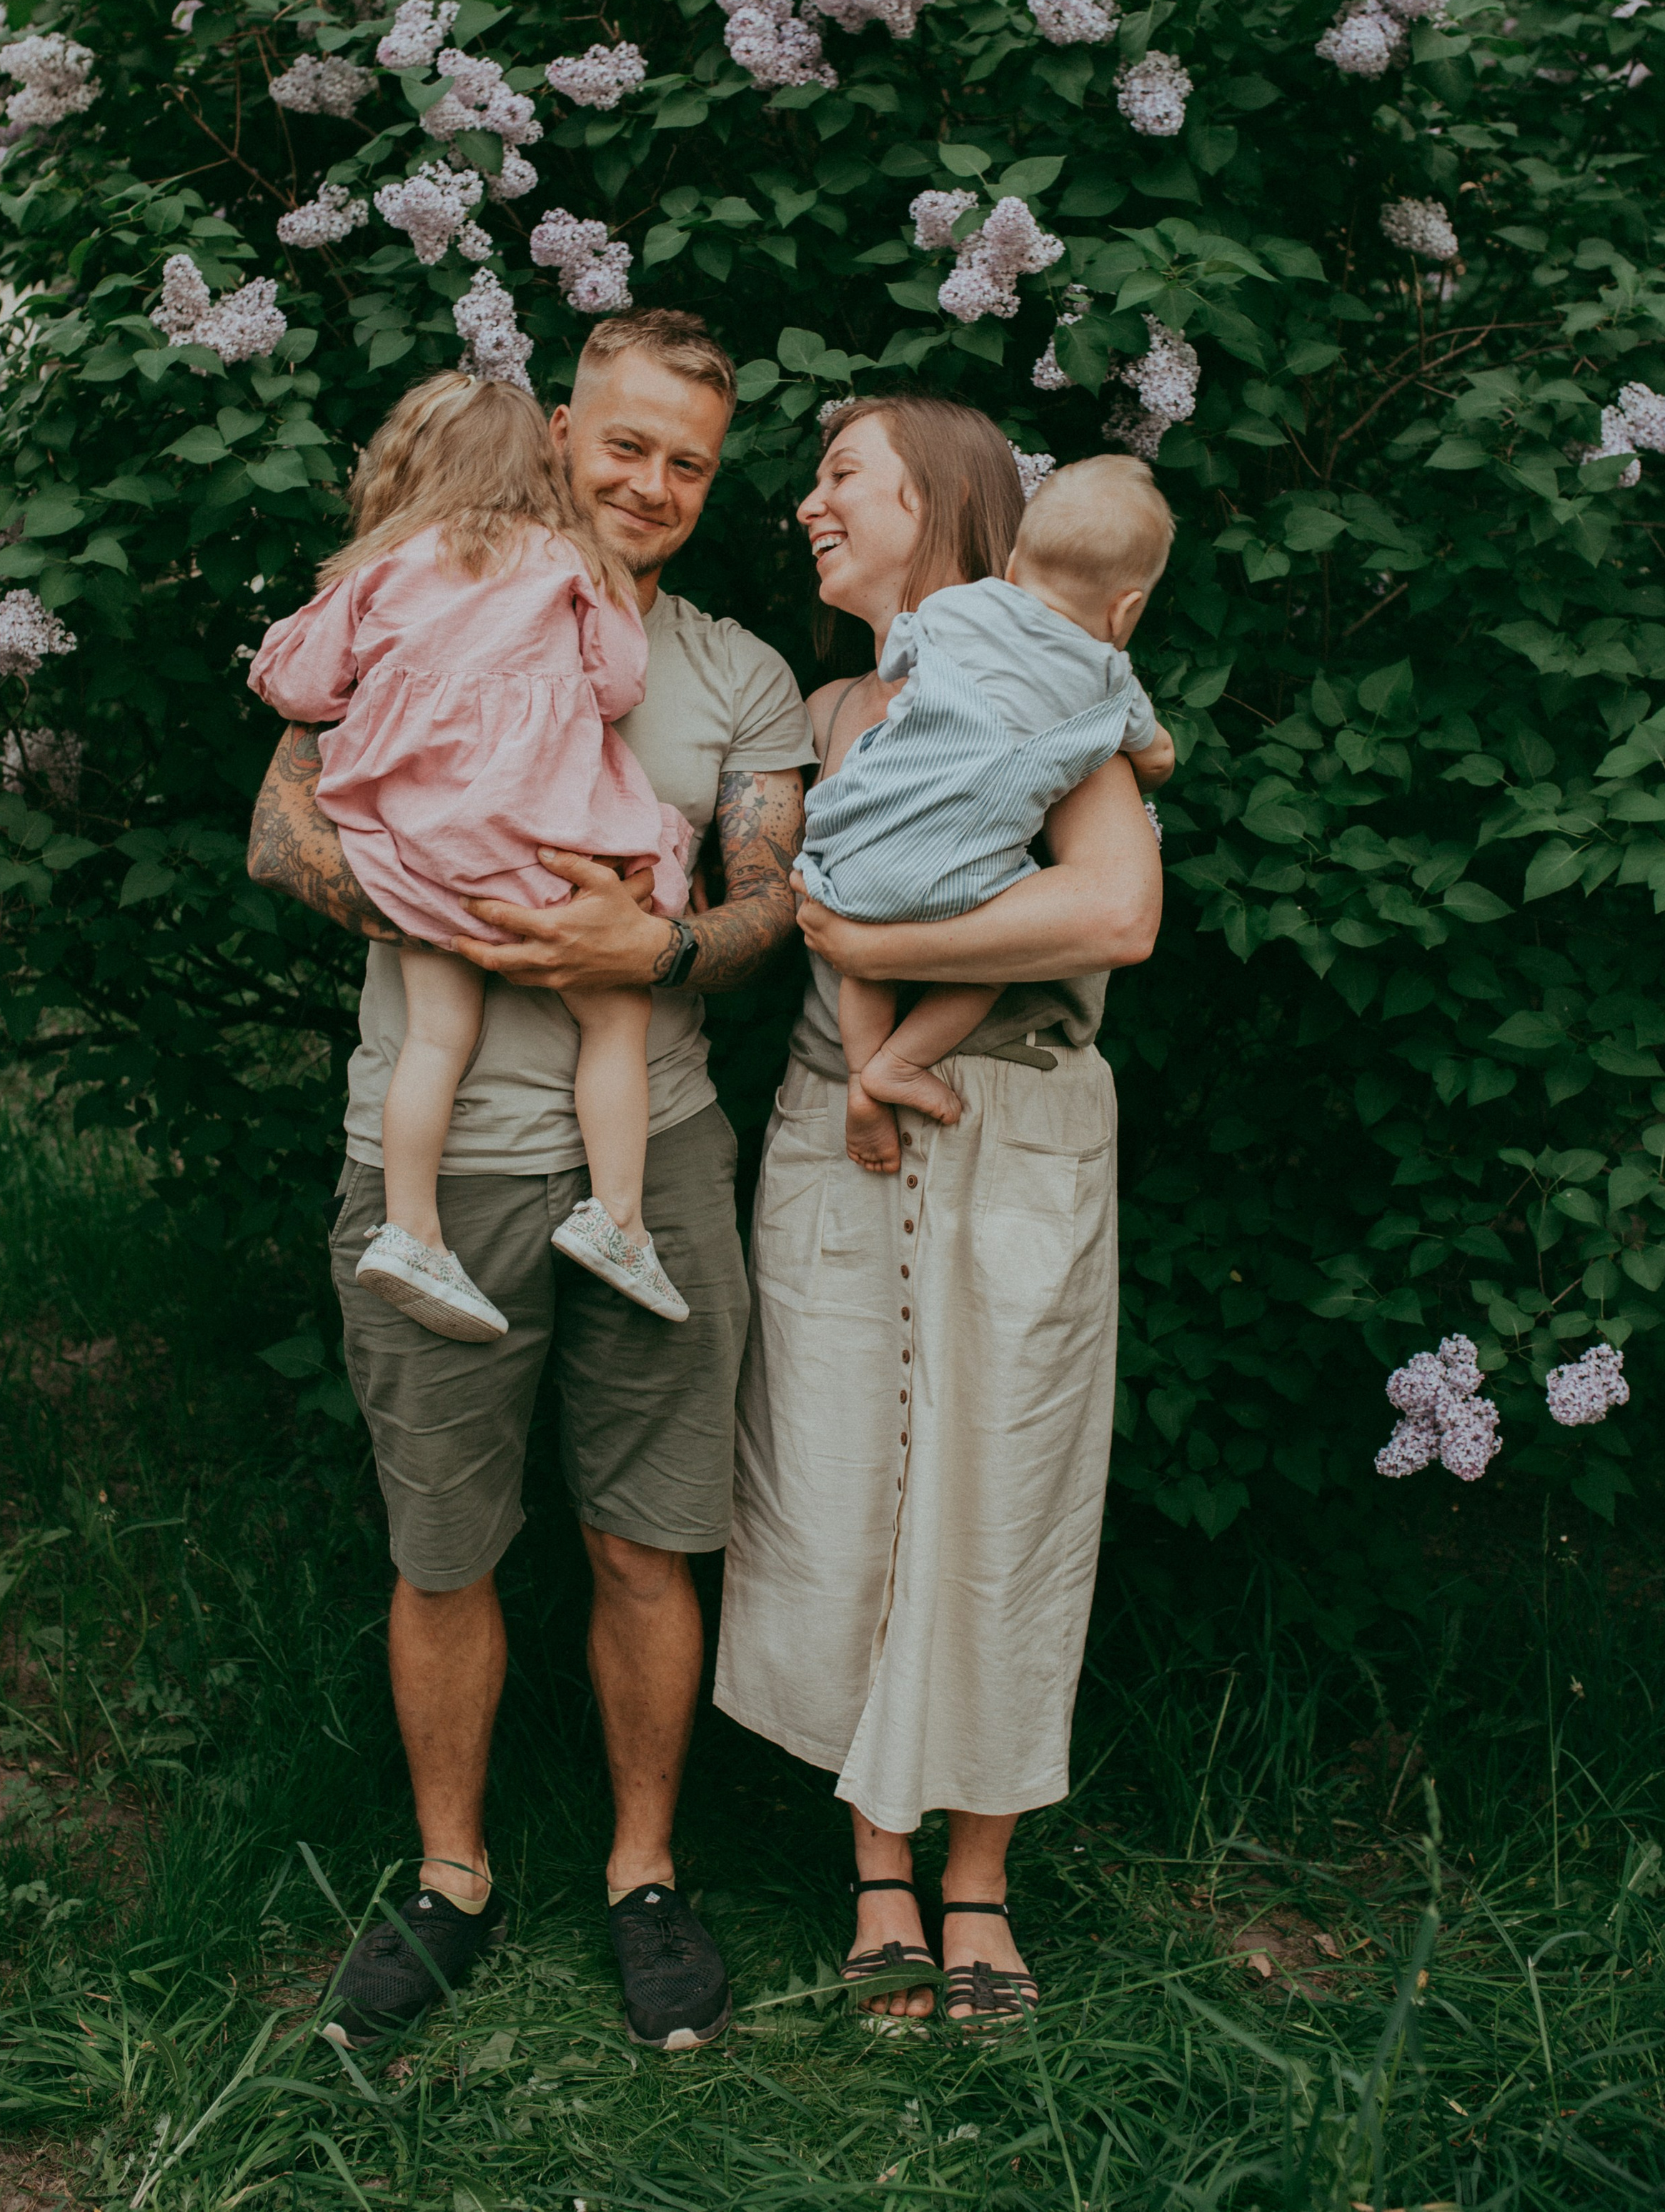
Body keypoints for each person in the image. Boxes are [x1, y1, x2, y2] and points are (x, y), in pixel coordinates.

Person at [247, 310, 813, 2053]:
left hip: (656, 1151)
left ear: (712, 484)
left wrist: (642, 946)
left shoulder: (736, 674)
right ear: (563, 429)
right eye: (625, 442)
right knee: (441, 1547)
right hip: (429, 1161)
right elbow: (284, 829)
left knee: (648, 1535)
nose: (650, 482)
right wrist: (464, 915)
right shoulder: (426, 586)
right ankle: (447, 1874)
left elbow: (768, 902)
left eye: (688, 463)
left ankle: (645, 1873)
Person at [715, 399, 1162, 2031]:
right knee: (841, 1487)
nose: (810, 501)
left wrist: (880, 954)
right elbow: (789, 909)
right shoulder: (828, 705)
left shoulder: (1035, 680)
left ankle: (975, 1881)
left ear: (941, 498)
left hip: (1009, 1118)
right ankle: (876, 1869)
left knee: (997, 1493)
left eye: (844, 474)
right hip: (832, 1135)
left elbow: (1112, 904)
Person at [249, 372, 696, 1335]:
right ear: (550, 465)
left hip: (415, 857)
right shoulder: (567, 560)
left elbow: (292, 683)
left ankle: (411, 1230)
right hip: (536, 851)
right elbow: (617, 687)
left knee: (437, 1039)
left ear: (408, 466)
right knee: (615, 1015)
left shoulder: (381, 568)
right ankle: (617, 1220)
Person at [798, 453, 1176, 1171]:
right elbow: (1154, 754)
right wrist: (1155, 754)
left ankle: (859, 1075)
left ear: (1010, 561)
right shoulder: (1105, 682)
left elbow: (900, 657)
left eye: (843, 474)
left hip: (846, 847)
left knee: (864, 962)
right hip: (952, 880)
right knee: (994, 959)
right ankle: (900, 1063)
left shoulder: (949, 611)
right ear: (1126, 610)